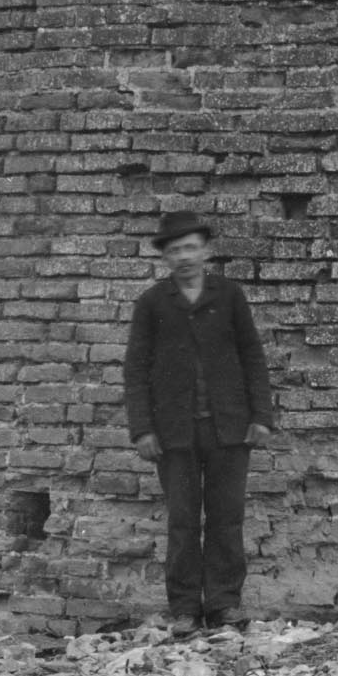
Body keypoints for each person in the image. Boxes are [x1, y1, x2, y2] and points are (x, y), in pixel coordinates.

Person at [123, 205, 270, 630]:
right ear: (165, 257)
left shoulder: (229, 296)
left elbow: (252, 357)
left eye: (191, 248)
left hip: (229, 426)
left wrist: (260, 415)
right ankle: (185, 608)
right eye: (175, 250)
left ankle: (224, 603)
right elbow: (136, 370)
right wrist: (142, 428)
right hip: (174, 432)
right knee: (183, 520)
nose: (184, 257)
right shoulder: (153, 303)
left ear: (205, 251)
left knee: (227, 517)